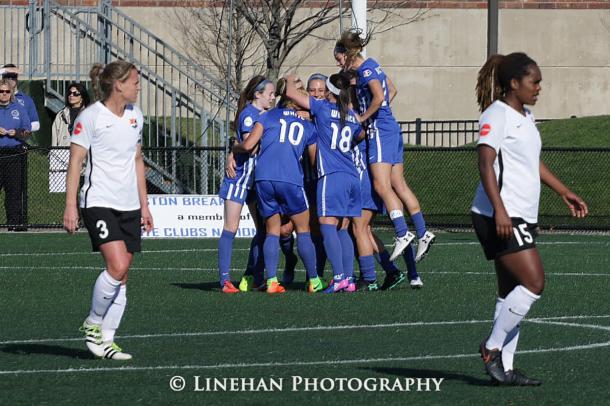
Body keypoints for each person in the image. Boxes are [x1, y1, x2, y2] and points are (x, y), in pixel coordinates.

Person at [472, 52, 588, 385]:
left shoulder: (525, 115)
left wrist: (563, 191)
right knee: (534, 283)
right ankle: (491, 348)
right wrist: (501, 210)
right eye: (533, 81)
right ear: (513, 83)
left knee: (509, 293)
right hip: (500, 215)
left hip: (518, 214)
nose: (539, 87)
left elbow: (532, 163)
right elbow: (484, 164)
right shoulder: (496, 114)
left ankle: (504, 370)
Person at [63, 61, 153, 360]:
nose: (139, 87)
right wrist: (70, 206)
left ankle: (107, 340)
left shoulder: (135, 116)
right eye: (135, 82)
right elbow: (75, 162)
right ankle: (92, 324)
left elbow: (138, 160)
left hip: (129, 204)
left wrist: (145, 205)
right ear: (119, 85)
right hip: (98, 201)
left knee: (123, 273)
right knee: (116, 266)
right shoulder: (90, 117)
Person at [334, 31, 436, 263]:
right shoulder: (369, 68)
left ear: (347, 54)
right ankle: (423, 232)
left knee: (381, 185)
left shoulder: (366, 69)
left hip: (380, 131)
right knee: (398, 184)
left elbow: (380, 97)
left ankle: (402, 232)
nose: (338, 63)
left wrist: (364, 118)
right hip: (390, 128)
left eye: (338, 58)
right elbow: (392, 89)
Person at [233, 78, 321, 294]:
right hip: (291, 179)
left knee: (271, 230)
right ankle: (314, 280)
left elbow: (249, 145)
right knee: (303, 230)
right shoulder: (307, 126)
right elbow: (315, 161)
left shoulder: (268, 116)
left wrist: (233, 148)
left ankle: (271, 281)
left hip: (264, 179)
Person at [285, 72, 363, 293]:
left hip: (332, 175)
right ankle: (348, 279)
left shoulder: (322, 108)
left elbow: (290, 93)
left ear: (329, 92)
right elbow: (360, 133)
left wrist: (292, 80)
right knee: (343, 228)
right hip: (351, 175)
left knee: (326, 225)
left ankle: (338, 277)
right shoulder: (350, 114)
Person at [217, 76, 276, 293]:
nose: (273, 97)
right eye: (270, 93)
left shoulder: (263, 115)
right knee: (231, 228)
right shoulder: (250, 115)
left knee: (263, 229)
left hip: (257, 180)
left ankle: (254, 274)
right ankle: (224, 280)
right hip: (240, 179)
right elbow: (249, 146)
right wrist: (234, 149)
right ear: (257, 94)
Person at [0, 79, 31, 231]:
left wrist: (16, 133)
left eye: (7, 91)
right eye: (1, 91)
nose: (4, 94)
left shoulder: (18, 109)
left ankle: (13, 223)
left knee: (13, 191)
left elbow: (27, 131)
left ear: (11, 93)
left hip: (14, 154)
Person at [50, 82, 90, 193]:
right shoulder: (61, 114)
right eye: (69, 93)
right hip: (64, 158)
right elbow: (55, 137)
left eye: (75, 93)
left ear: (82, 97)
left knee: (84, 195)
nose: (71, 95)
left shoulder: (89, 115)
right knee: (68, 196)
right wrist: (54, 155)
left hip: (84, 161)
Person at [0, 64, 40, 132]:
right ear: (2, 77)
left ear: (17, 77)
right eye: (7, 76)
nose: (10, 79)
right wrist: (4, 70)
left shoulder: (26, 99)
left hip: (18, 140)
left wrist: (17, 130)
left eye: (13, 76)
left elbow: (36, 124)